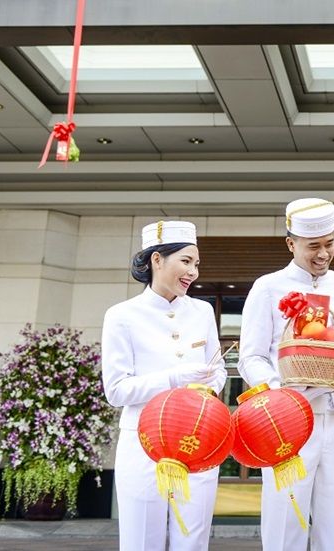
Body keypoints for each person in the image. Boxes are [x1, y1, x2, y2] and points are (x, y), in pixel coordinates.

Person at [238, 198, 334, 551]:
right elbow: (250, 358)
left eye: (329, 244)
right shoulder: (267, 287)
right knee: (285, 516)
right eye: (313, 246)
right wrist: (280, 391)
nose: (323, 254)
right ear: (291, 243)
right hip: (288, 423)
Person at [101, 220, 227, 551]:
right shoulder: (122, 315)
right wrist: (174, 378)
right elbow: (116, 390)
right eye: (186, 261)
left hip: (197, 441)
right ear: (157, 260)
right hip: (143, 444)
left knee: (194, 539)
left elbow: (217, 369)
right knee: (142, 540)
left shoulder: (202, 311)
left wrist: (209, 385)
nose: (193, 272)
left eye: (196, 263)